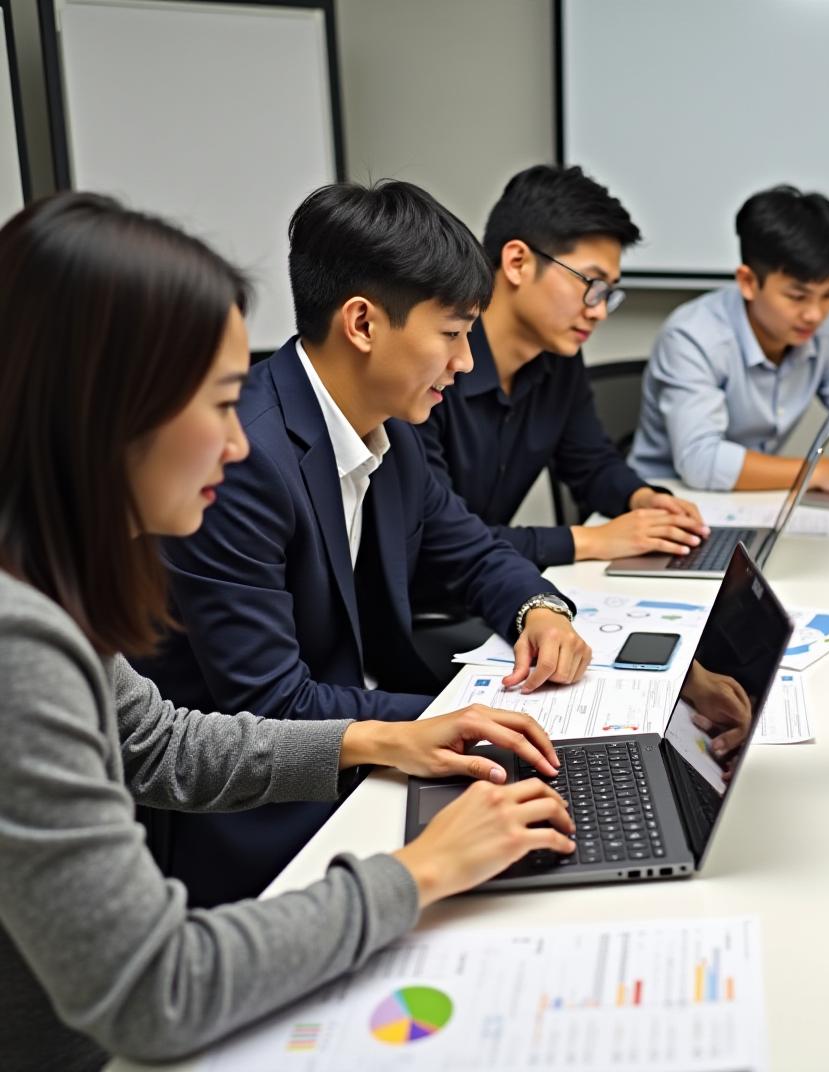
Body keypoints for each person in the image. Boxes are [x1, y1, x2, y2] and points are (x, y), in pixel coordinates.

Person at [0, 192, 579, 1072]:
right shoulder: (19, 643)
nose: (236, 446)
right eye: (219, 402)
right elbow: (163, 988)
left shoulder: (45, 583)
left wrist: (390, 736)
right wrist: (420, 872)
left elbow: (158, 742)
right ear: (110, 410)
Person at [133, 180, 591, 906]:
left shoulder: (391, 431)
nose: (466, 361)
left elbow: (470, 550)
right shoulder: (244, 458)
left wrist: (539, 609)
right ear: (363, 323)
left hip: (364, 752)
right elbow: (271, 704)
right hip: (262, 814)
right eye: (451, 333)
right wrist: (446, 724)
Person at [417, 164, 708, 575]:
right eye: (591, 283)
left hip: (492, 585)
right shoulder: (431, 366)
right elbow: (437, 538)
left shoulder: (559, 357)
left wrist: (641, 498)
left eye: (609, 292)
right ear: (518, 262)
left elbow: (590, 462)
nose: (600, 310)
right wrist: (592, 540)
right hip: (421, 608)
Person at [627, 184, 829, 493]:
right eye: (797, 296)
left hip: (755, 502)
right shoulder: (692, 336)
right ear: (747, 282)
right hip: (665, 502)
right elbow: (701, 461)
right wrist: (821, 471)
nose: (815, 314)